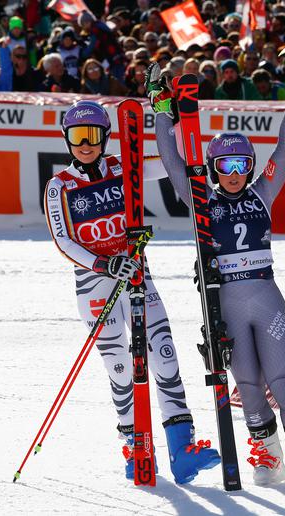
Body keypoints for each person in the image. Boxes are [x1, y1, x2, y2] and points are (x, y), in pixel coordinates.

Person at [148, 63, 285, 489]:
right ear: (212, 167)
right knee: (246, 384)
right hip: (224, 301)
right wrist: (161, 111)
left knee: (282, 381)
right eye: (224, 164)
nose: (233, 172)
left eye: (241, 164)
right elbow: (172, 159)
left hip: (266, 296)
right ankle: (268, 453)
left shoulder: (262, 192)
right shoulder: (200, 200)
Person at [43, 100, 220, 485]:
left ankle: (181, 450)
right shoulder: (59, 186)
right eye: (77, 136)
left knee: (164, 354)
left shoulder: (125, 168)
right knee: (121, 368)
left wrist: (171, 119)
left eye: (92, 136)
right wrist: (104, 265)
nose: (85, 144)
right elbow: (62, 240)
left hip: (138, 273)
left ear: (106, 136)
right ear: (67, 140)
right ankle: (136, 448)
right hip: (95, 283)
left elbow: (170, 165)